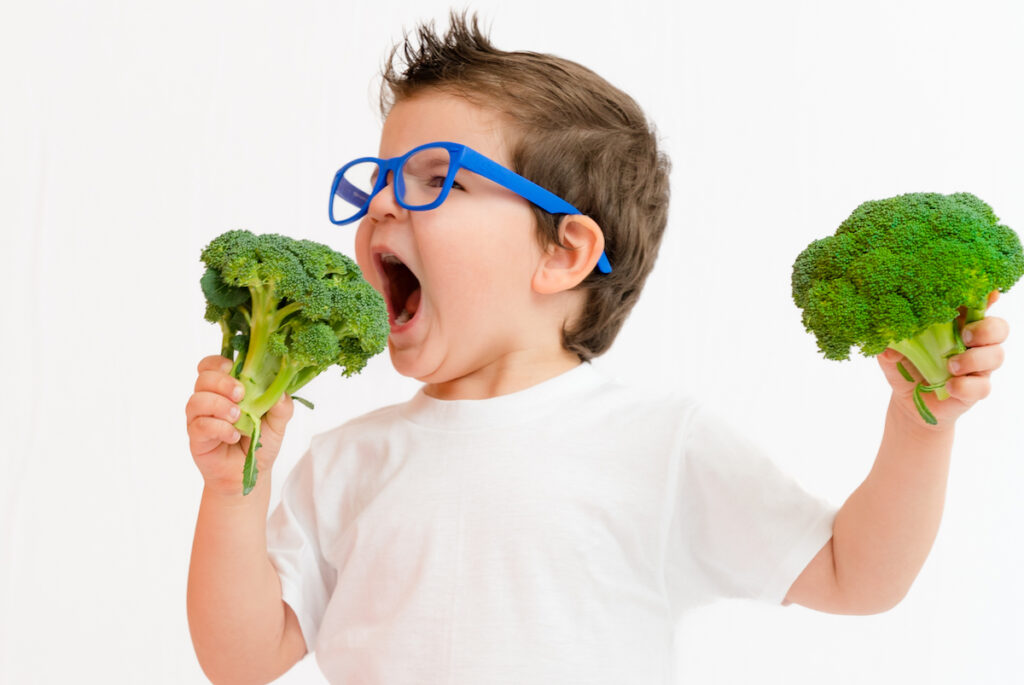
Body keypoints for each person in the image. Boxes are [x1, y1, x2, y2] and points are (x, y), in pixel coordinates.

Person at [185, 11, 1011, 684]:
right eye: (381, 177)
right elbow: (243, 657)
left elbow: (856, 576)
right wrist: (231, 491)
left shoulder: (658, 442)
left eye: (437, 178)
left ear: (564, 252)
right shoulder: (345, 462)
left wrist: (919, 421)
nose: (383, 208)